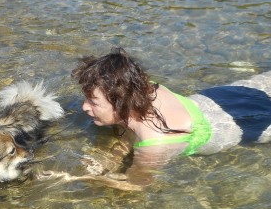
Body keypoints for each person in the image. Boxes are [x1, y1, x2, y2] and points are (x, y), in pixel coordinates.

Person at [72, 47, 271, 168]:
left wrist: (78, 179)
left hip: (244, 125)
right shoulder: (147, 88)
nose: (84, 107)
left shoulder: (155, 146)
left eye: (93, 102)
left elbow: (135, 184)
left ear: (121, 103)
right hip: (222, 97)